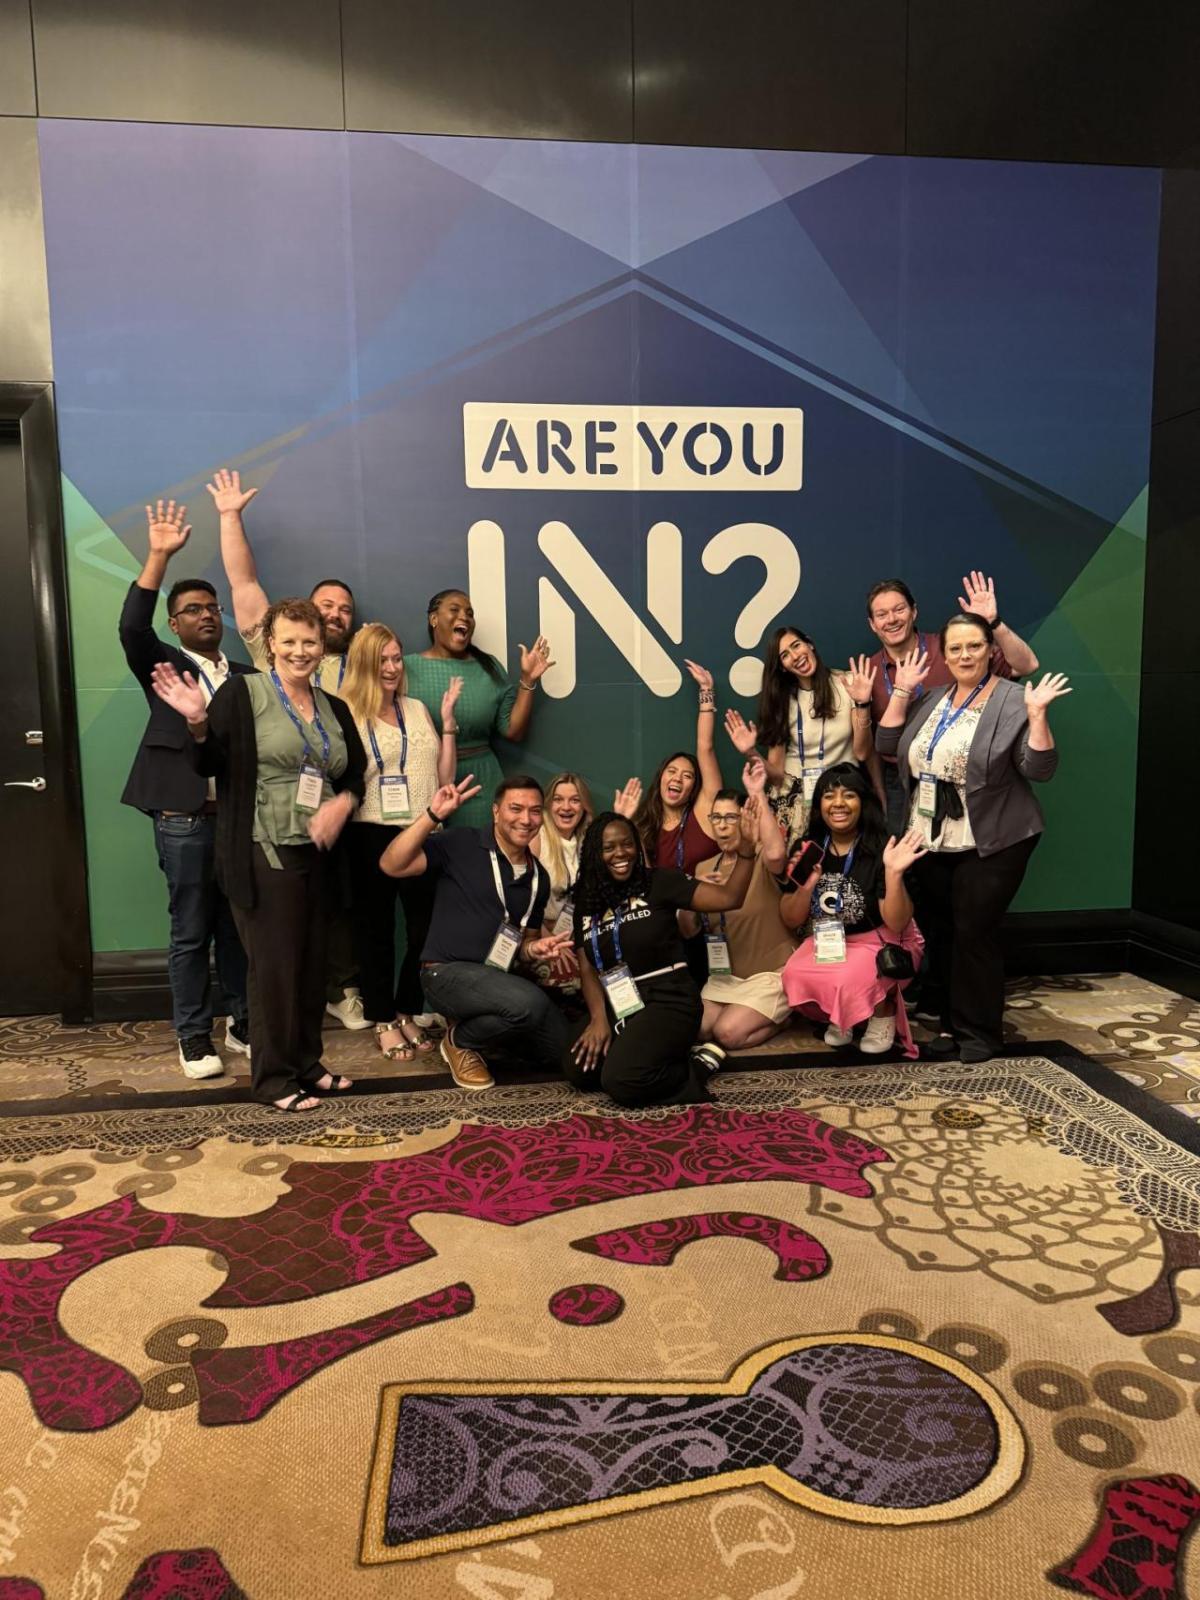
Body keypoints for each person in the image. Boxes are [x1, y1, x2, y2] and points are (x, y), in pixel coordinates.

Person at [150, 598, 367, 1112]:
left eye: (309, 642)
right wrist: (198, 723)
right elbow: (209, 761)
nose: (300, 651)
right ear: (270, 643)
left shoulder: (333, 707)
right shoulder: (242, 694)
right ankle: (273, 1079)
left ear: (322, 646)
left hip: (318, 855)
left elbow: (354, 770)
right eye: (289, 641)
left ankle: (307, 1064)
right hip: (260, 850)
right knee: (274, 969)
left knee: (312, 965)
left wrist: (343, 802)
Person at [208, 466, 368, 1030]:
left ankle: (339, 992)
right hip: (271, 825)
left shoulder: (355, 668)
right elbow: (245, 588)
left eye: (342, 609)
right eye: (325, 605)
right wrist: (230, 518)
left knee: (334, 913)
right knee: (275, 940)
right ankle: (268, 1033)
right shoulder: (271, 661)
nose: (333, 613)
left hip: (340, 806)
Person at [876, 614, 1071, 1062]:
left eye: (974, 647)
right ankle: (949, 1023)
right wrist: (903, 692)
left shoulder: (1012, 698)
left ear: (990, 651)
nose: (965, 656)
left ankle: (980, 1033)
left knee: (973, 932)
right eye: (956, 649)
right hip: (931, 835)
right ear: (944, 656)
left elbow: (1039, 769)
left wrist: (1038, 716)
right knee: (942, 934)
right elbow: (889, 743)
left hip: (992, 838)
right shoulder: (934, 699)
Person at [118, 498, 252, 1080]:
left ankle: (244, 1023)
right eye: (193, 609)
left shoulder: (247, 677)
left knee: (239, 929)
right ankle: (195, 1037)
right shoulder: (165, 665)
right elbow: (130, 628)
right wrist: (157, 556)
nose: (206, 615)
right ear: (175, 624)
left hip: (237, 821)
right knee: (192, 932)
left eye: (213, 607)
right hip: (185, 818)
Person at [562, 769, 760, 1108]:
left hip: (669, 998)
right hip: (620, 1000)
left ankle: (695, 1068)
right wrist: (598, 1020)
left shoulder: (659, 882)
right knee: (579, 1070)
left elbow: (729, 898)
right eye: (609, 847)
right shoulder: (588, 901)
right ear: (595, 854)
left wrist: (745, 853)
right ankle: (652, 1053)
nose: (621, 853)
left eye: (627, 844)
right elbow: (587, 968)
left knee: (621, 1080)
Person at [380, 774, 573, 1090]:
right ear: (496, 812)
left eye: (535, 811)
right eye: (516, 808)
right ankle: (459, 1040)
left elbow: (524, 945)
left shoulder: (539, 877)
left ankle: (480, 1033)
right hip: (445, 974)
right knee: (529, 1005)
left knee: (565, 1052)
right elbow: (391, 864)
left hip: (499, 981)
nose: (526, 819)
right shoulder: (461, 842)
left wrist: (534, 950)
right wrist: (432, 816)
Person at [341, 622, 462, 1061]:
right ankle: (383, 1019)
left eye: (395, 658)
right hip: (369, 831)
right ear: (364, 664)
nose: (391, 667)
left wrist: (447, 726)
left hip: (425, 829)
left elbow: (443, 777)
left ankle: (409, 1009)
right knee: (374, 931)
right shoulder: (346, 712)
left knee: (423, 929)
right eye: (382, 660)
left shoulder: (415, 709)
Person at [864, 573, 1040, 834]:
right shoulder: (868, 671)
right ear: (872, 624)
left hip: (959, 772)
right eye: (882, 614)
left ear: (914, 612)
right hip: (902, 779)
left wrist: (993, 623)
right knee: (908, 862)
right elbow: (873, 744)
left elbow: (1027, 665)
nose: (892, 619)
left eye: (899, 609)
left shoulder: (951, 648)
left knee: (964, 851)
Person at [780, 764, 926, 1057]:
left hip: (883, 939)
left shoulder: (882, 846)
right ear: (819, 803)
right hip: (831, 940)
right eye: (829, 796)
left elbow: (897, 923)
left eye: (849, 795)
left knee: (847, 978)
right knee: (793, 974)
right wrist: (806, 886)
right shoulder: (808, 847)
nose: (838, 804)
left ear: (863, 802)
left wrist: (894, 873)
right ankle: (848, 1013)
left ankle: (882, 1009)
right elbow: (790, 917)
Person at [405, 589, 553, 830]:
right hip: (425, 780)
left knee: (480, 858)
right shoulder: (406, 668)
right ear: (433, 619)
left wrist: (528, 680)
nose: (464, 617)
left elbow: (512, 731)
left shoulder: (489, 667)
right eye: (454, 610)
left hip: (479, 782)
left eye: (470, 613)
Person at [724, 628, 874, 843]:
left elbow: (862, 752)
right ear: (782, 667)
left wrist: (863, 704)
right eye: (785, 655)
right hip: (794, 802)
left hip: (841, 797)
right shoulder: (781, 702)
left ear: (809, 644)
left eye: (796, 645)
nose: (795, 656)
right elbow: (776, 775)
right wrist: (750, 752)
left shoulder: (847, 684)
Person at [692, 773, 795, 1055]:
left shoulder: (762, 856)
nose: (722, 826)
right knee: (700, 1029)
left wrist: (757, 792)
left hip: (770, 974)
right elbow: (689, 928)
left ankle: (784, 1020)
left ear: (746, 819)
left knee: (727, 1033)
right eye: (716, 818)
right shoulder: (703, 868)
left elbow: (776, 853)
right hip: (725, 977)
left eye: (731, 818)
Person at [633, 661, 725, 873]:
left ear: (694, 786)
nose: (677, 779)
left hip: (705, 904)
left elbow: (705, 747)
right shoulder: (644, 826)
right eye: (672, 771)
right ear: (661, 778)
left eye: (687, 776)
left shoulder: (704, 811)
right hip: (659, 905)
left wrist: (706, 691)